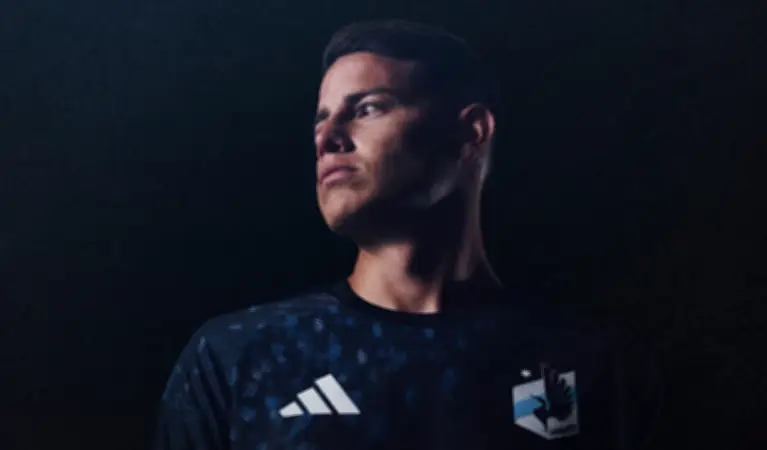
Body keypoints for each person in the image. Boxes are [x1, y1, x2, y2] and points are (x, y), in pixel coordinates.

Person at [154, 19, 661, 450]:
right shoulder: (241, 358)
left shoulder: (590, 364)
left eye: (368, 108)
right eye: (321, 120)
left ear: (471, 133)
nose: (328, 138)